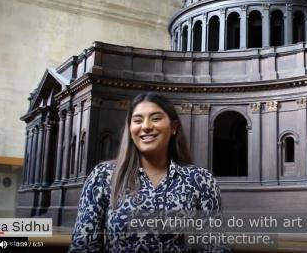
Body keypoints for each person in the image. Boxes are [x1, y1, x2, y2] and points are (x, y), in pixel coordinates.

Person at [70, 93, 225, 252]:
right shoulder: (103, 176)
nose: (146, 126)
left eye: (156, 118)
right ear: (130, 130)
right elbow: (83, 246)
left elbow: (214, 246)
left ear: (174, 128)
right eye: (137, 120)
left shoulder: (201, 180)